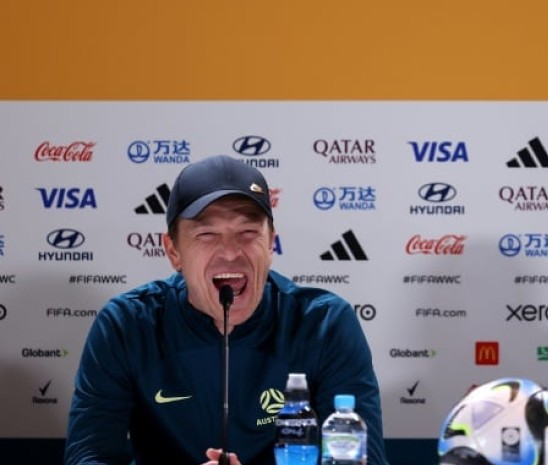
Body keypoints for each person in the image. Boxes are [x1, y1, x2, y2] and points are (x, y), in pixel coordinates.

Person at [65, 155, 388, 465]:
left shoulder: (324, 323)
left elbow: (364, 461)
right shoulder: (127, 324)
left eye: (248, 233)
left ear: (270, 243)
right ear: (173, 251)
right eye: (207, 234)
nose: (231, 253)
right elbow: (88, 457)